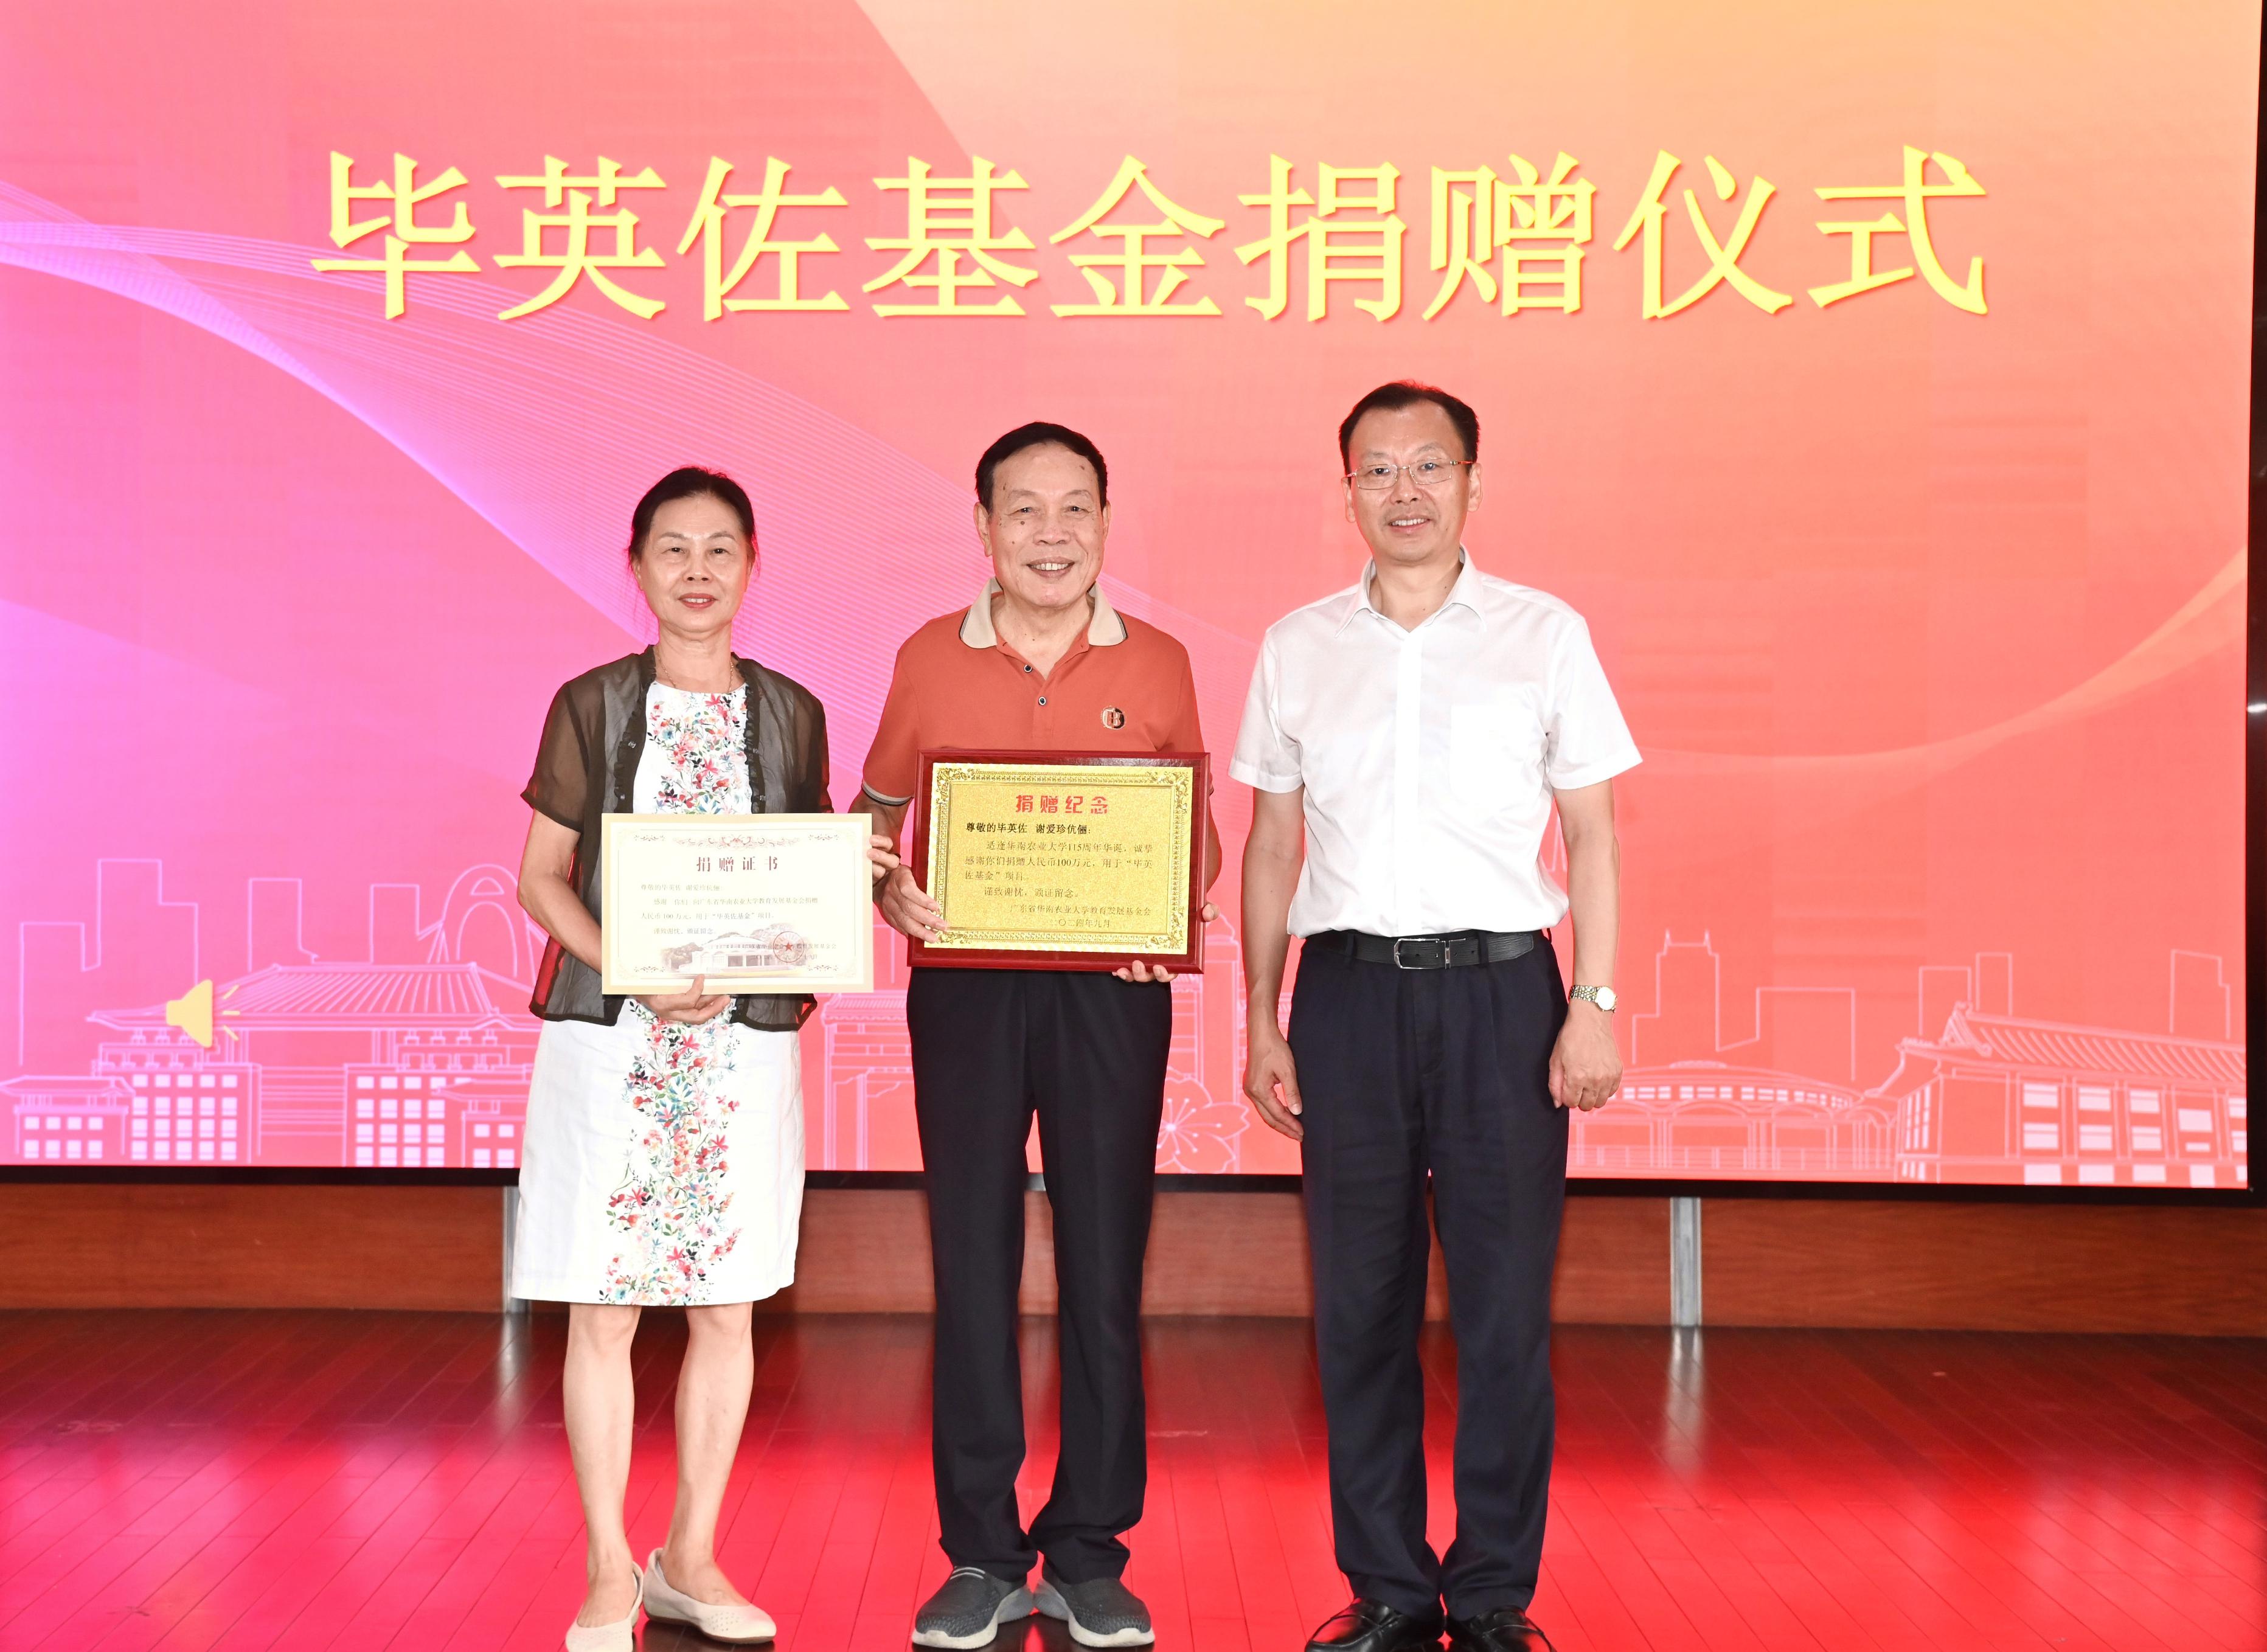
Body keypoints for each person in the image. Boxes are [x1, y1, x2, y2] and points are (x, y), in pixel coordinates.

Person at [1232, 384, 1639, 1652]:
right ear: (1345, 489)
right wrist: (1260, 1016)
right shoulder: (1298, 644)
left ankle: (1496, 1592)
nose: (1403, 490)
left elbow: (1592, 834)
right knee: (1359, 1309)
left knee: (1504, 1312)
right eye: (1377, 469)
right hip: (1347, 996)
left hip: (1503, 997)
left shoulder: (1544, 633)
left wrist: (1593, 1002)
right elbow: (1271, 843)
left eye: (1429, 466)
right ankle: (1391, 1588)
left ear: (1472, 481)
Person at [513, 466, 897, 1652]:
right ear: (635, 567)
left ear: (751, 565)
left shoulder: (792, 710)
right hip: (613, 1043)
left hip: (739, 1047)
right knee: (604, 1311)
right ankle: (605, 1569)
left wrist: (853, 872)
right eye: (672, 548)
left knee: (728, 1306)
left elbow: (804, 877)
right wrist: (630, 964)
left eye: (719, 548)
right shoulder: (590, 703)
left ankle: (689, 1556)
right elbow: (540, 878)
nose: (696, 570)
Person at [863, 422, 1221, 1650]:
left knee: (1105, 1262)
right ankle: (979, 1551)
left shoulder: (1161, 660)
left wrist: (1168, 909)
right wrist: (891, 888)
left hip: (1110, 991)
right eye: (1024, 510)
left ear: (1106, 524)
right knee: (971, 1260)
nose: (1051, 534)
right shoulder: (928, 653)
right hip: (964, 990)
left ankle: (1088, 1551)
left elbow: (1196, 833)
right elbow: (875, 816)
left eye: (1076, 509)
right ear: (983, 526)